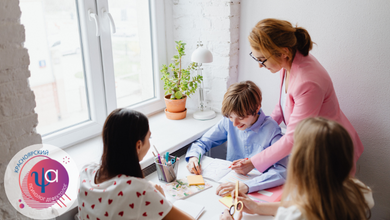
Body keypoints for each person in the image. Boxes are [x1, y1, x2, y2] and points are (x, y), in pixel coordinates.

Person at [231, 18, 364, 176]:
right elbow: (281, 106)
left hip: (331, 149)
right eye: (256, 58)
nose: (260, 65)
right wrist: (262, 127)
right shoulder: (287, 62)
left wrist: (253, 163)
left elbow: (293, 138)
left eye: (262, 60)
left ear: (283, 52)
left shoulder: (308, 82)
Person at [220, 117, 374, 220]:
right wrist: (258, 207)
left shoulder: (295, 216)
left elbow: (299, 210)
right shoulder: (361, 192)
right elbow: (302, 204)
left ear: (300, 163)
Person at [77, 109, 194, 220]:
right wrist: (161, 198)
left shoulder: (86, 173)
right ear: (138, 146)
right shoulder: (139, 191)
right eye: (149, 137)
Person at [186, 81, 288, 195]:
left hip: (256, 189)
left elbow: (282, 171)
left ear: (257, 107)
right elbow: (203, 142)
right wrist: (193, 157)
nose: (234, 124)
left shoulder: (272, 129)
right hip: (228, 185)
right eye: (230, 117)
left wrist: (247, 186)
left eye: (241, 117)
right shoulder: (228, 122)